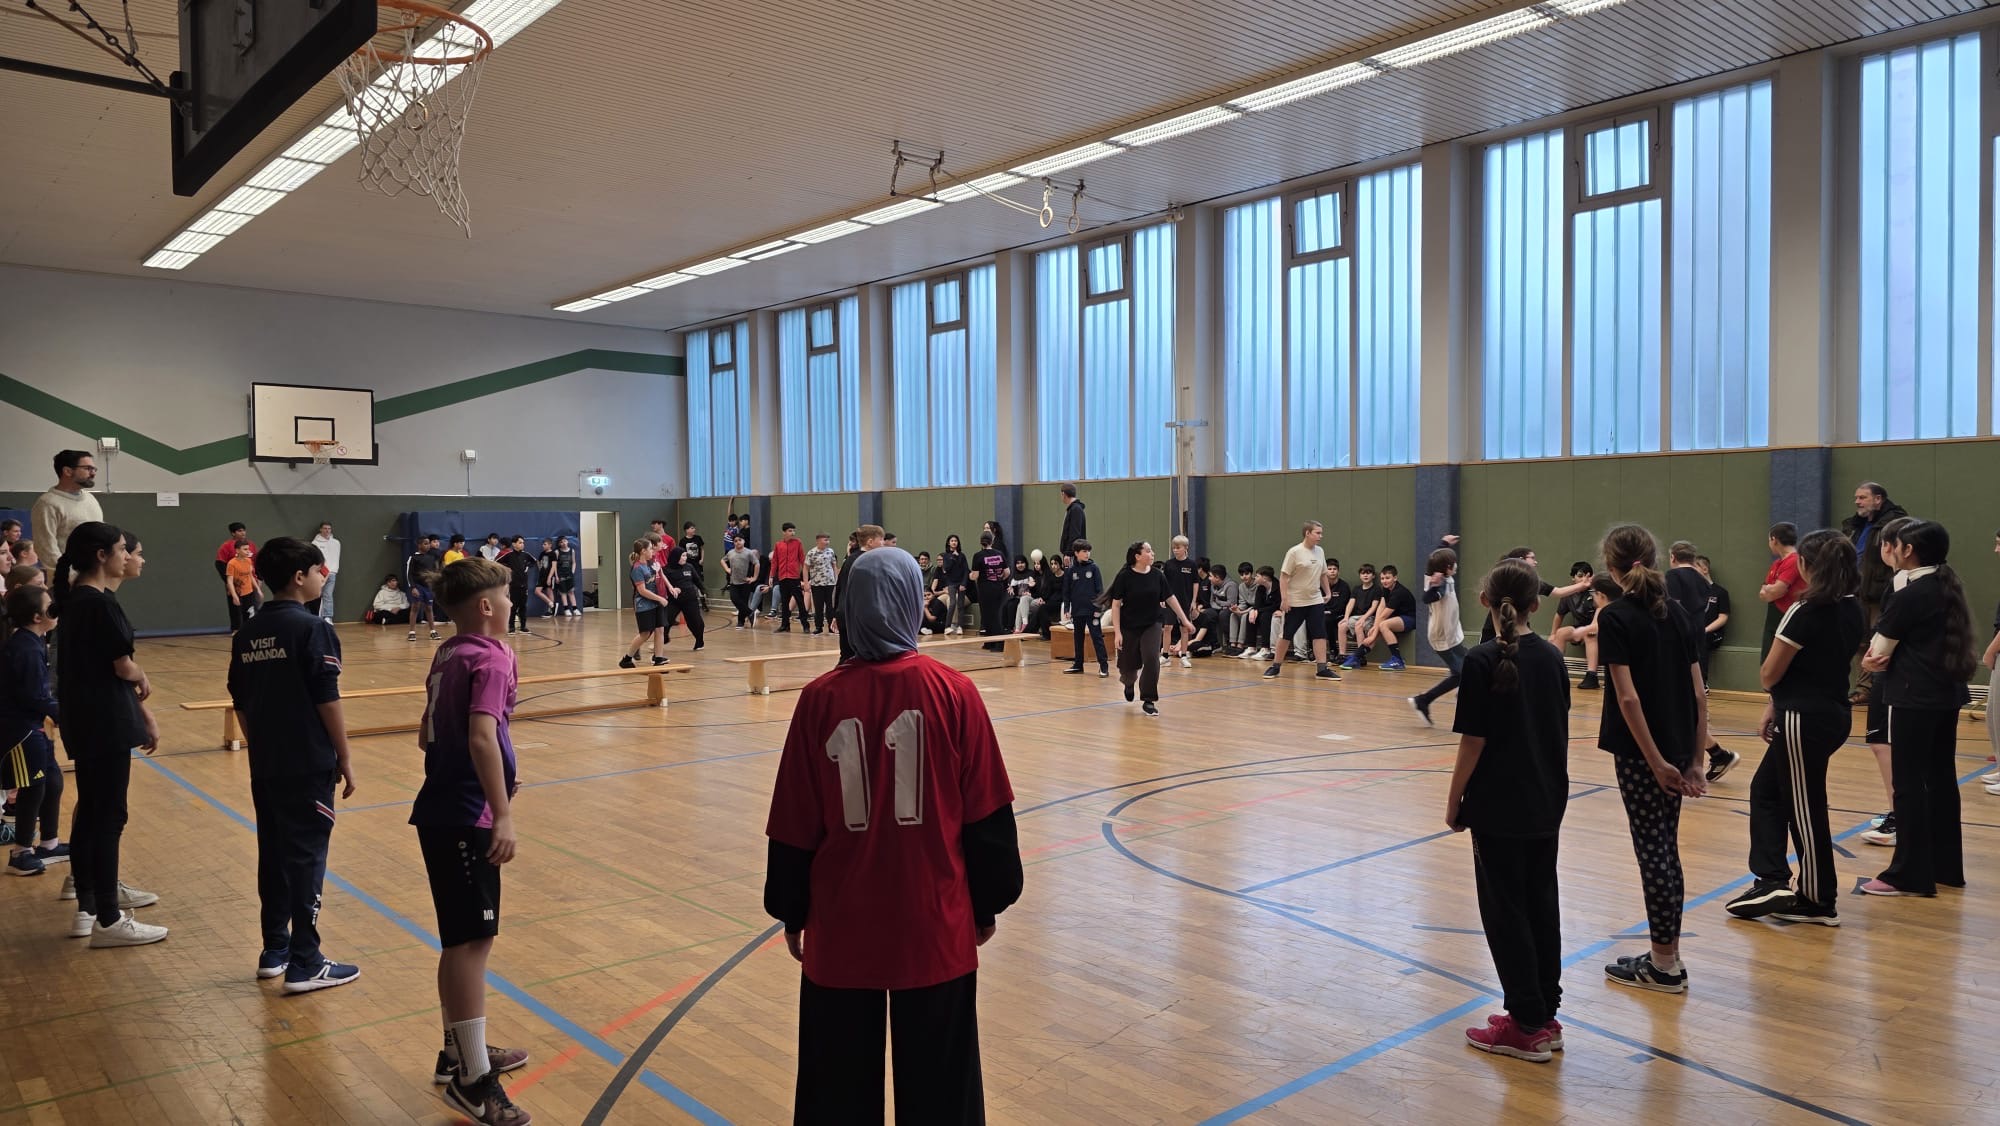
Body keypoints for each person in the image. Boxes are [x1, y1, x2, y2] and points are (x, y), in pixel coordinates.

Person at [763, 547, 1022, 1121]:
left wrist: (790, 909)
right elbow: (987, 816)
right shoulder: (955, 693)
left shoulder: (819, 699)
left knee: (836, 1094)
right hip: (934, 923)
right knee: (942, 1093)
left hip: (841, 927)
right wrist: (987, 904)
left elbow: (795, 821)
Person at [408, 558, 532, 1121]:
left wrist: (501, 771)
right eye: (505, 597)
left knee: (459, 941)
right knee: (471, 943)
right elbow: (482, 737)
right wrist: (501, 812)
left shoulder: (448, 653)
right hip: (466, 815)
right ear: (486, 606)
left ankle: (459, 1051)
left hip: (442, 809)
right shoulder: (491, 656)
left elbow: (427, 734)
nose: (510, 603)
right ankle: (473, 1081)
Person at [1445, 559, 1570, 1063]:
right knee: (1541, 904)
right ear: (1536, 604)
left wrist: (1454, 801)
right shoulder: (1554, 658)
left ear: (1485, 602)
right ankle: (1543, 1015)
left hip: (1497, 806)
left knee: (1506, 913)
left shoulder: (1480, 660)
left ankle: (1525, 1025)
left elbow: (1472, 742)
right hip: (1546, 801)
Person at [227, 537, 361, 991]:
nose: (325, 576)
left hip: (268, 764)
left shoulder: (247, 634)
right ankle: (306, 961)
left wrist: (261, 745)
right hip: (307, 762)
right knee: (306, 857)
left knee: (275, 852)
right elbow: (327, 697)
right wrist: (344, 755)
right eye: (320, 570)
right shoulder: (312, 629)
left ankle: (275, 949)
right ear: (300, 576)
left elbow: (239, 700)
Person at [1727, 529, 1864, 927]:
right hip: (1828, 712)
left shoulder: (1805, 611)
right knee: (1766, 791)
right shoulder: (1853, 607)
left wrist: (1775, 695)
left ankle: (1818, 900)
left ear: (1805, 565)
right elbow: (1810, 669)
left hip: (1805, 719)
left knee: (1805, 808)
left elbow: (1770, 674)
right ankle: (1770, 879)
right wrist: (1776, 704)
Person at [1595, 524, 1709, 994]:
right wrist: (1695, 758)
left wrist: (1656, 761)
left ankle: (1663, 966)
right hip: (1678, 746)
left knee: (1652, 852)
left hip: (1643, 753)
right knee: (1666, 848)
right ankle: (1669, 956)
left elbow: (1628, 699)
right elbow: (1699, 694)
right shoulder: (1676, 612)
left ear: (1611, 567)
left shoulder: (1615, 617)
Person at [52, 522, 165, 948]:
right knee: (108, 815)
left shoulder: (81, 601)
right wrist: (141, 675)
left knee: (93, 810)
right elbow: (122, 665)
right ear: (102, 555)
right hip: (103, 721)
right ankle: (108, 917)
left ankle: (89, 903)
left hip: (89, 719)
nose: (129, 555)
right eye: (122, 549)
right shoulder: (95, 604)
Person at [1858, 520, 1976, 898]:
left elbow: (1878, 651)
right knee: (1941, 779)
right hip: (1945, 694)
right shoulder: (1944, 583)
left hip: (1912, 696)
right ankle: (1945, 867)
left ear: (1907, 550)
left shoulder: (1909, 594)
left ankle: (1907, 874)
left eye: (1895, 544)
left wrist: (1871, 661)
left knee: (1907, 784)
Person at [1858, 515, 1920, 846]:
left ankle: (1901, 817)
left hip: (1897, 675)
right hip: (1909, 677)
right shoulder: (1929, 581)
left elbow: (1887, 637)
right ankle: (1904, 812)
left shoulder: (1903, 585)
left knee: (1884, 743)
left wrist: (1873, 656)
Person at [2, 586, 63, 877]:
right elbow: (34, 696)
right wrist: (65, 714)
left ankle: (49, 844)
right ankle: (21, 853)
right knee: (32, 787)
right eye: (50, 606)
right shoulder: (24, 648)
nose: (55, 610)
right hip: (20, 731)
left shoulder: (34, 640)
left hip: (34, 725)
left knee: (52, 780)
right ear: (38, 617)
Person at [1666, 542, 1738, 782]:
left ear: (1673, 557)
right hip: (1697, 645)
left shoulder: (1673, 577)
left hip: (1679, 648)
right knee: (1684, 709)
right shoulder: (1703, 580)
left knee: (1680, 710)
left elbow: (1673, 610)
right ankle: (1716, 754)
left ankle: (1706, 757)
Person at [1103, 542, 1196, 717]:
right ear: (1137, 556)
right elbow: (1115, 606)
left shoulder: (1157, 575)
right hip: (1129, 625)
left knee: (1152, 658)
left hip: (1152, 623)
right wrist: (1117, 633)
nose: (1152, 553)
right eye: (1148, 551)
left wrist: (1184, 620)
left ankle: (1148, 699)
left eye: (1152, 550)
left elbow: (1170, 598)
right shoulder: (1124, 576)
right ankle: (1128, 683)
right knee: (1128, 667)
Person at [1843, 482, 1909, 702]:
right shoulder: (1855, 525)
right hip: (1856, 590)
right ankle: (1863, 688)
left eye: (1862, 497)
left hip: (1880, 591)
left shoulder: (1895, 523)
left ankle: (1877, 687)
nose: (1857, 502)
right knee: (1859, 640)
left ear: (1878, 499)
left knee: (1878, 638)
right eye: (1856, 497)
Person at [1265, 521, 1339, 682]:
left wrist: (1327, 592)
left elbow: (1323, 574)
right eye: (1317, 533)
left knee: (1319, 634)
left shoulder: (1320, 551)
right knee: (1286, 634)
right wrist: (1284, 599)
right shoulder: (1294, 552)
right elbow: (1284, 577)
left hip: (1315, 601)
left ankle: (1322, 669)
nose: (1321, 536)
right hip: (1296, 602)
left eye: (1321, 533)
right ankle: (1275, 666)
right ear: (1307, 533)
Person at [1411, 549, 1466, 726]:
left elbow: (1435, 559)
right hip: (1442, 638)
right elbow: (1426, 598)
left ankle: (1424, 700)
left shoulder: (1441, 575)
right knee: (1462, 673)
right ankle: (1424, 700)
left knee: (1466, 669)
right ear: (1447, 567)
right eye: (1453, 563)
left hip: (1453, 634)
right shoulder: (1439, 584)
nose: (1456, 565)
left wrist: (1444, 544)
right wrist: (1434, 586)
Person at [31, 450, 102, 568]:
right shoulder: (48, 503)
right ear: (68, 471)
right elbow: (46, 548)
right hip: (68, 576)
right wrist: (68, 574)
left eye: (94, 469)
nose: (93, 473)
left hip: (95, 573)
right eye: (88, 468)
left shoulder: (90, 499)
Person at [833, 526, 885, 663]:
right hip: (859, 616)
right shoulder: (870, 561)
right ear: (870, 542)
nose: (883, 543)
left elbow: (839, 587)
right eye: (880, 539)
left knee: (847, 657)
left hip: (845, 613)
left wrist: (837, 612)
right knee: (862, 657)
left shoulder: (850, 559)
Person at [621, 539, 672, 668]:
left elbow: (659, 576)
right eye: (650, 549)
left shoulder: (649, 564)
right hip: (644, 605)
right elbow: (642, 591)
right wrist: (659, 599)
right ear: (643, 551)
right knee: (645, 634)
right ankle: (627, 659)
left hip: (656, 603)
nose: (652, 551)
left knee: (660, 629)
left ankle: (658, 658)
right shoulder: (637, 568)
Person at [1062, 540, 1110, 677]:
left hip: (1092, 610)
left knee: (1097, 637)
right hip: (1077, 610)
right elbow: (1066, 591)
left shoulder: (1094, 568)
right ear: (1076, 553)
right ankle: (1078, 665)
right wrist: (1067, 608)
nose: (1087, 554)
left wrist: (1098, 608)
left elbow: (1100, 591)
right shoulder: (1071, 571)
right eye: (1084, 551)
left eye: (1088, 551)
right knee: (1078, 638)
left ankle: (1104, 666)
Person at [1549, 563, 1601, 689]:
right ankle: (1556, 672)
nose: (1584, 579)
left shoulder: (1595, 592)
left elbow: (1601, 609)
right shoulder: (1569, 594)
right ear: (1573, 578)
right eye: (1580, 576)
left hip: (1597, 629)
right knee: (1561, 633)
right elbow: (1559, 614)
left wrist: (1593, 626)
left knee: (1589, 635)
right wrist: (1553, 633)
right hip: (1580, 629)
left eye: (1588, 576)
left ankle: (1592, 676)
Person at [1758, 523, 1802, 659]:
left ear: (1774, 540)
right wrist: (1770, 590)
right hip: (1773, 619)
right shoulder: (1777, 563)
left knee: (1780, 662)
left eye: (1769, 540)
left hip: (1787, 617)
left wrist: (1770, 589)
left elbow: (1777, 591)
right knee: (1767, 659)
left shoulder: (1794, 560)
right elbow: (1763, 593)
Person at [1160, 537, 1203, 667]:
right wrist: (1162, 598)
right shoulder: (1169, 564)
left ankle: (1184, 656)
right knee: (1167, 628)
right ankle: (1165, 656)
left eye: (1178, 548)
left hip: (1185, 601)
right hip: (1170, 602)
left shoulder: (1191, 565)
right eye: (1174, 548)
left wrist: (1194, 601)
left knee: (1184, 629)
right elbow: (1164, 583)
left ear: (1186, 548)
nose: (1175, 550)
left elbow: (1195, 583)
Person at [660, 545, 706, 652]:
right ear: (676, 557)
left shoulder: (689, 567)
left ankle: (699, 641)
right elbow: (664, 585)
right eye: (683, 556)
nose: (685, 558)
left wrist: (703, 590)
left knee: (696, 622)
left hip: (690, 600)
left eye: (685, 555)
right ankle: (664, 638)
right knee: (665, 621)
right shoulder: (666, 570)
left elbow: (697, 580)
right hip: (673, 601)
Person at [972, 532, 1010, 653]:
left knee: (988, 615)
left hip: (985, 588)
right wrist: (999, 579)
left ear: (981, 542)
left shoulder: (978, 556)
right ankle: (990, 641)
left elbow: (975, 576)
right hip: (998, 587)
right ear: (992, 541)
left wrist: (970, 576)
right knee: (994, 614)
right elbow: (1007, 572)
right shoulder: (999, 554)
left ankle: (1000, 643)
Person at [1337, 564, 1382, 666]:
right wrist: (1346, 617)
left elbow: (1374, 607)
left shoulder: (1376, 589)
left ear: (1373, 576)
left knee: (1358, 625)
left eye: (1368, 573)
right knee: (1342, 625)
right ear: (1360, 576)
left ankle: (1360, 656)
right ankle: (1342, 655)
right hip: (1356, 617)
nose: (1365, 575)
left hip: (1369, 617)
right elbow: (1350, 604)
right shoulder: (1356, 589)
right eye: (1363, 573)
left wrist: (1363, 618)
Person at [771, 523, 809, 633]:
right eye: (790, 530)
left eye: (793, 530)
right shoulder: (778, 545)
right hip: (783, 577)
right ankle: (785, 625)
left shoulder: (797, 543)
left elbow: (802, 559)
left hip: (794, 577)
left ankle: (805, 625)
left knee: (800, 601)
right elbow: (775, 561)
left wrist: (805, 577)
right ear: (784, 532)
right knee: (784, 602)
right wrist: (771, 575)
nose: (793, 533)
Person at [215, 522, 256, 624]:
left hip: (250, 583)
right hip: (235, 584)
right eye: (239, 531)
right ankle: (236, 628)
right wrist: (229, 582)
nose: (243, 533)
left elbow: (256, 561)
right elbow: (220, 564)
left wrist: (259, 578)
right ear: (233, 533)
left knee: (251, 608)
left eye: (244, 530)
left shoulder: (251, 545)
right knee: (236, 607)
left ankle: (251, 628)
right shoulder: (226, 546)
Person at [407, 535, 445, 642]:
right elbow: (408, 574)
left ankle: (433, 631)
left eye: (429, 543)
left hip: (428, 587)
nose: (428, 545)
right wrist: (413, 587)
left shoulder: (432, 556)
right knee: (415, 607)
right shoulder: (413, 558)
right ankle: (412, 632)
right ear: (419, 545)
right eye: (425, 543)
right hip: (418, 586)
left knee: (429, 608)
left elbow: (437, 568)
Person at [499, 537, 535, 636]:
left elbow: (534, 561)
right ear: (514, 544)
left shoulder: (526, 555)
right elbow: (497, 562)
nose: (522, 544)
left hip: (524, 585)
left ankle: (523, 627)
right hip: (514, 585)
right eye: (520, 542)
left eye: (523, 542)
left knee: (523, 606)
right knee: (513, 606)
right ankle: (511, 627)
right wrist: (507, 568)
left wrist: (527, 566)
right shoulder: (509, 555)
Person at [726, 536, 761, 630]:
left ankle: (740, 622)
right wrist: (727, 569)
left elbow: (757, 563)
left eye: (740, 540)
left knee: (743, 602)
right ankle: (750, 613)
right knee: (734, 599)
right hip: (733, 582)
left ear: (744, 541)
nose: (738, 542)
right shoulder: (730, 552)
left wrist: (754, 577)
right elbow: (722, 560)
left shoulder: (748, 552)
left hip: (745, 582)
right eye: (735, 541)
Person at [806, 533, 838, 636]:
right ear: (818, 541)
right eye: (825, 540)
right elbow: (805, 568)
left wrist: (836, 579)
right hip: (817, 583)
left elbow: (834, 565)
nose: (827, 542)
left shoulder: (831, 551)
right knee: (818, 606)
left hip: (829, 583)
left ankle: (831, 627)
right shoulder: (811, 553)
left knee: (830, 606)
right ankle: (818, 627)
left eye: (828, 540)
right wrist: (806, 582)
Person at [226, 541, 261, 633]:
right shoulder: (232, 563)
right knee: (238, 615)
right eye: (245, 549)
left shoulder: (249, 561)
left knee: (250, 613)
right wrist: (234, 596)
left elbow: (250, 576)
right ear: (237, 550)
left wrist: (258, 589)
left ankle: (249, 632)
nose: (247, 551)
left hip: (249, 593)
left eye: (248, 549)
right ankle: (237, 633)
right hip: (238, 593)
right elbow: (229, 581)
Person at [938, 535, 969, 636]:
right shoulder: (946, 556)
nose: (954, 542)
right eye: (952, 541)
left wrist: (963, 583)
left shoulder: (962, 555)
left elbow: (965, 570)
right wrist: (953, 557)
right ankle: (947, 627)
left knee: (960, 605)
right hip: (951, 583)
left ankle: (960, 626)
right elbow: (946, 569)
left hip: (961, 583)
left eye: (956, 541)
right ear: (948, 543)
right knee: (952, 603)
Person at [311, 522, 342, 622]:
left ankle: (328, 617)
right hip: (319, 573)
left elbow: (336, 558)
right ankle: (315, 617)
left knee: (328, 595)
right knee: (316, 594)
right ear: (320, 529)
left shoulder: (336, 543)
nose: (327, 530)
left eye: (329, 528)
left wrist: (333, 570)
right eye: (325, 528)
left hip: (332, 574)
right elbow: (316, 559)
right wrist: (322, 570)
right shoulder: (315, 543)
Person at [1059, 483, 1087, 566]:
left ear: (1063, 494)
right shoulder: (1073, 509)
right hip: (1072, 553)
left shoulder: (1075, 509)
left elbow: (1074, 533)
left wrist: (1069, 553)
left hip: (1073, 554)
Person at [553, 537, 580, 617]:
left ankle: (575, 609)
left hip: (569, 574)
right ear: (559, 544)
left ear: (567, 541)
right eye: (561, 542)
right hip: (561, 574)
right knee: (563, 592)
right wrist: (556, 576)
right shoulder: (557, 552)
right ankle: (566, 609)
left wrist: (572, 571)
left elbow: (574, 562)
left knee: (571, 592)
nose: (564, 543)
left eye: (565, 541)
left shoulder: (572, 551)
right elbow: (554, 566)